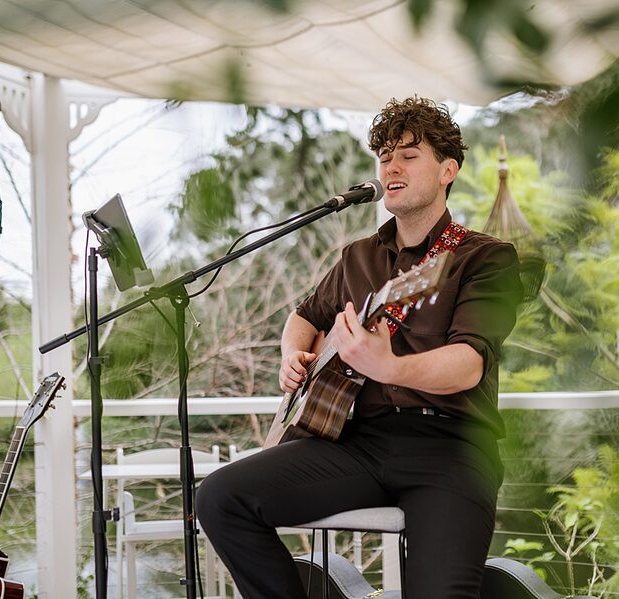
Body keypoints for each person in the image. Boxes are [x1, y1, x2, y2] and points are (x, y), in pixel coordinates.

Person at [196, 96, 523, 598]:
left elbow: (468, 366)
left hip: (452, 450)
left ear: (447, 170)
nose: (391, 166)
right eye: (385, 156)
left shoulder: (484, 258)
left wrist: (388, 365)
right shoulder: (357, 257)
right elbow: (302, 319)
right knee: (220, 498)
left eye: (409, 156)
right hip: (355, 443)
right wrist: (292, 356)